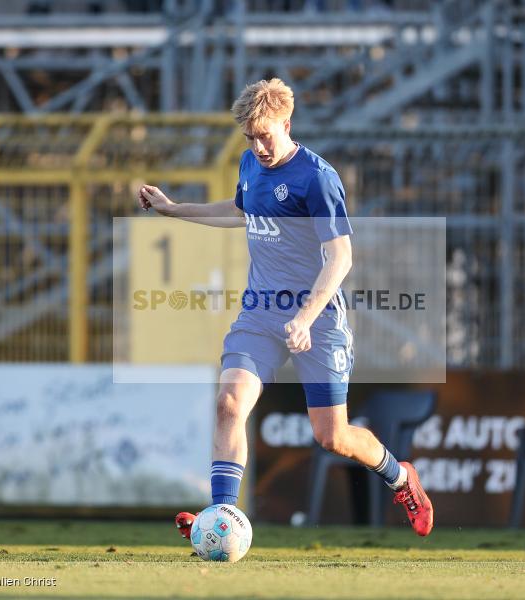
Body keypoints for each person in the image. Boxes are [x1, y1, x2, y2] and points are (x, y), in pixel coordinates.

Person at [137, 78, 433, 537]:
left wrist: (305, 315)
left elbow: (341, 257)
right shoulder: (250, 164)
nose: (259, 146)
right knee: (229, 403)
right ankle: (220, 518)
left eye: (266, 135)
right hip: (260, 313)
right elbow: (239, 212)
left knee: (332, 437)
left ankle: (401, 477)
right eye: (250, 138)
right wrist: (173, 210)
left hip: (318, 320)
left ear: (287, 123)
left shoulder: (317, 177)